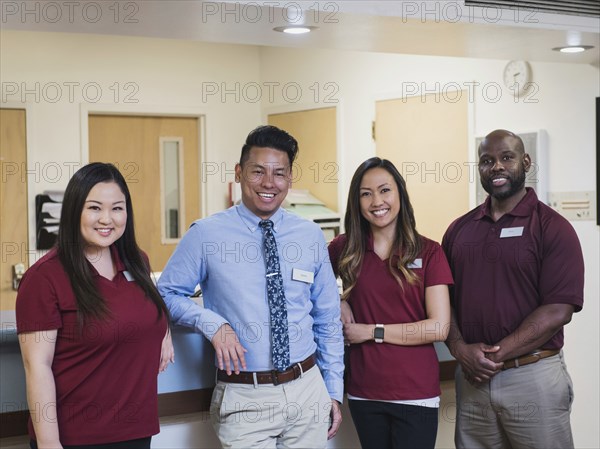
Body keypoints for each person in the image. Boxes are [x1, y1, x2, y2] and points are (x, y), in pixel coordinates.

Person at [157, 125, 344, 448]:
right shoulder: (206, 234)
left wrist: (332, 389)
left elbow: (327, 319)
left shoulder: (309, 236)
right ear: (239, 173)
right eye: (258, 172)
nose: (269, 183)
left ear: (290, 178)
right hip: (244, 396)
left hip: (308, 388)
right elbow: (165, 294)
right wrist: (214, 324)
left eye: (279, 173)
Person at [442, 129, 584, 449]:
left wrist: (495, 356)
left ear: (526, 161)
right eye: (487, 161)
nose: (497, 167)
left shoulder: (553, 228)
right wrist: (459, 349)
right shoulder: (458, 231)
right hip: (472, 381)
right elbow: (442, 300)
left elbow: (559, 309)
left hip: (531, 376)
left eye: (507, 157)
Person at [16, 163, 173, 449]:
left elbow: (140, 310)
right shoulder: (44, 277)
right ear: (74, 210)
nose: (106, 219)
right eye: (94, 208)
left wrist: (163, 331)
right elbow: (37, 366)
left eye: (117, 208)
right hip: (77, 438)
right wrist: (49, 444)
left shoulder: (137, 260)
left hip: (136, 431)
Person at [328, 157, 452, 449]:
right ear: (356, 201)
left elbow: (439, 327)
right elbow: (304, 288)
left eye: (385, 190)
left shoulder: (430, 252)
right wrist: (338, 301)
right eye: (366, 193)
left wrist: (372, 331)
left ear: (400, 194)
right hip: (364, 390)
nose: (376, 201)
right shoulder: (343, 249)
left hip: (416, 391)